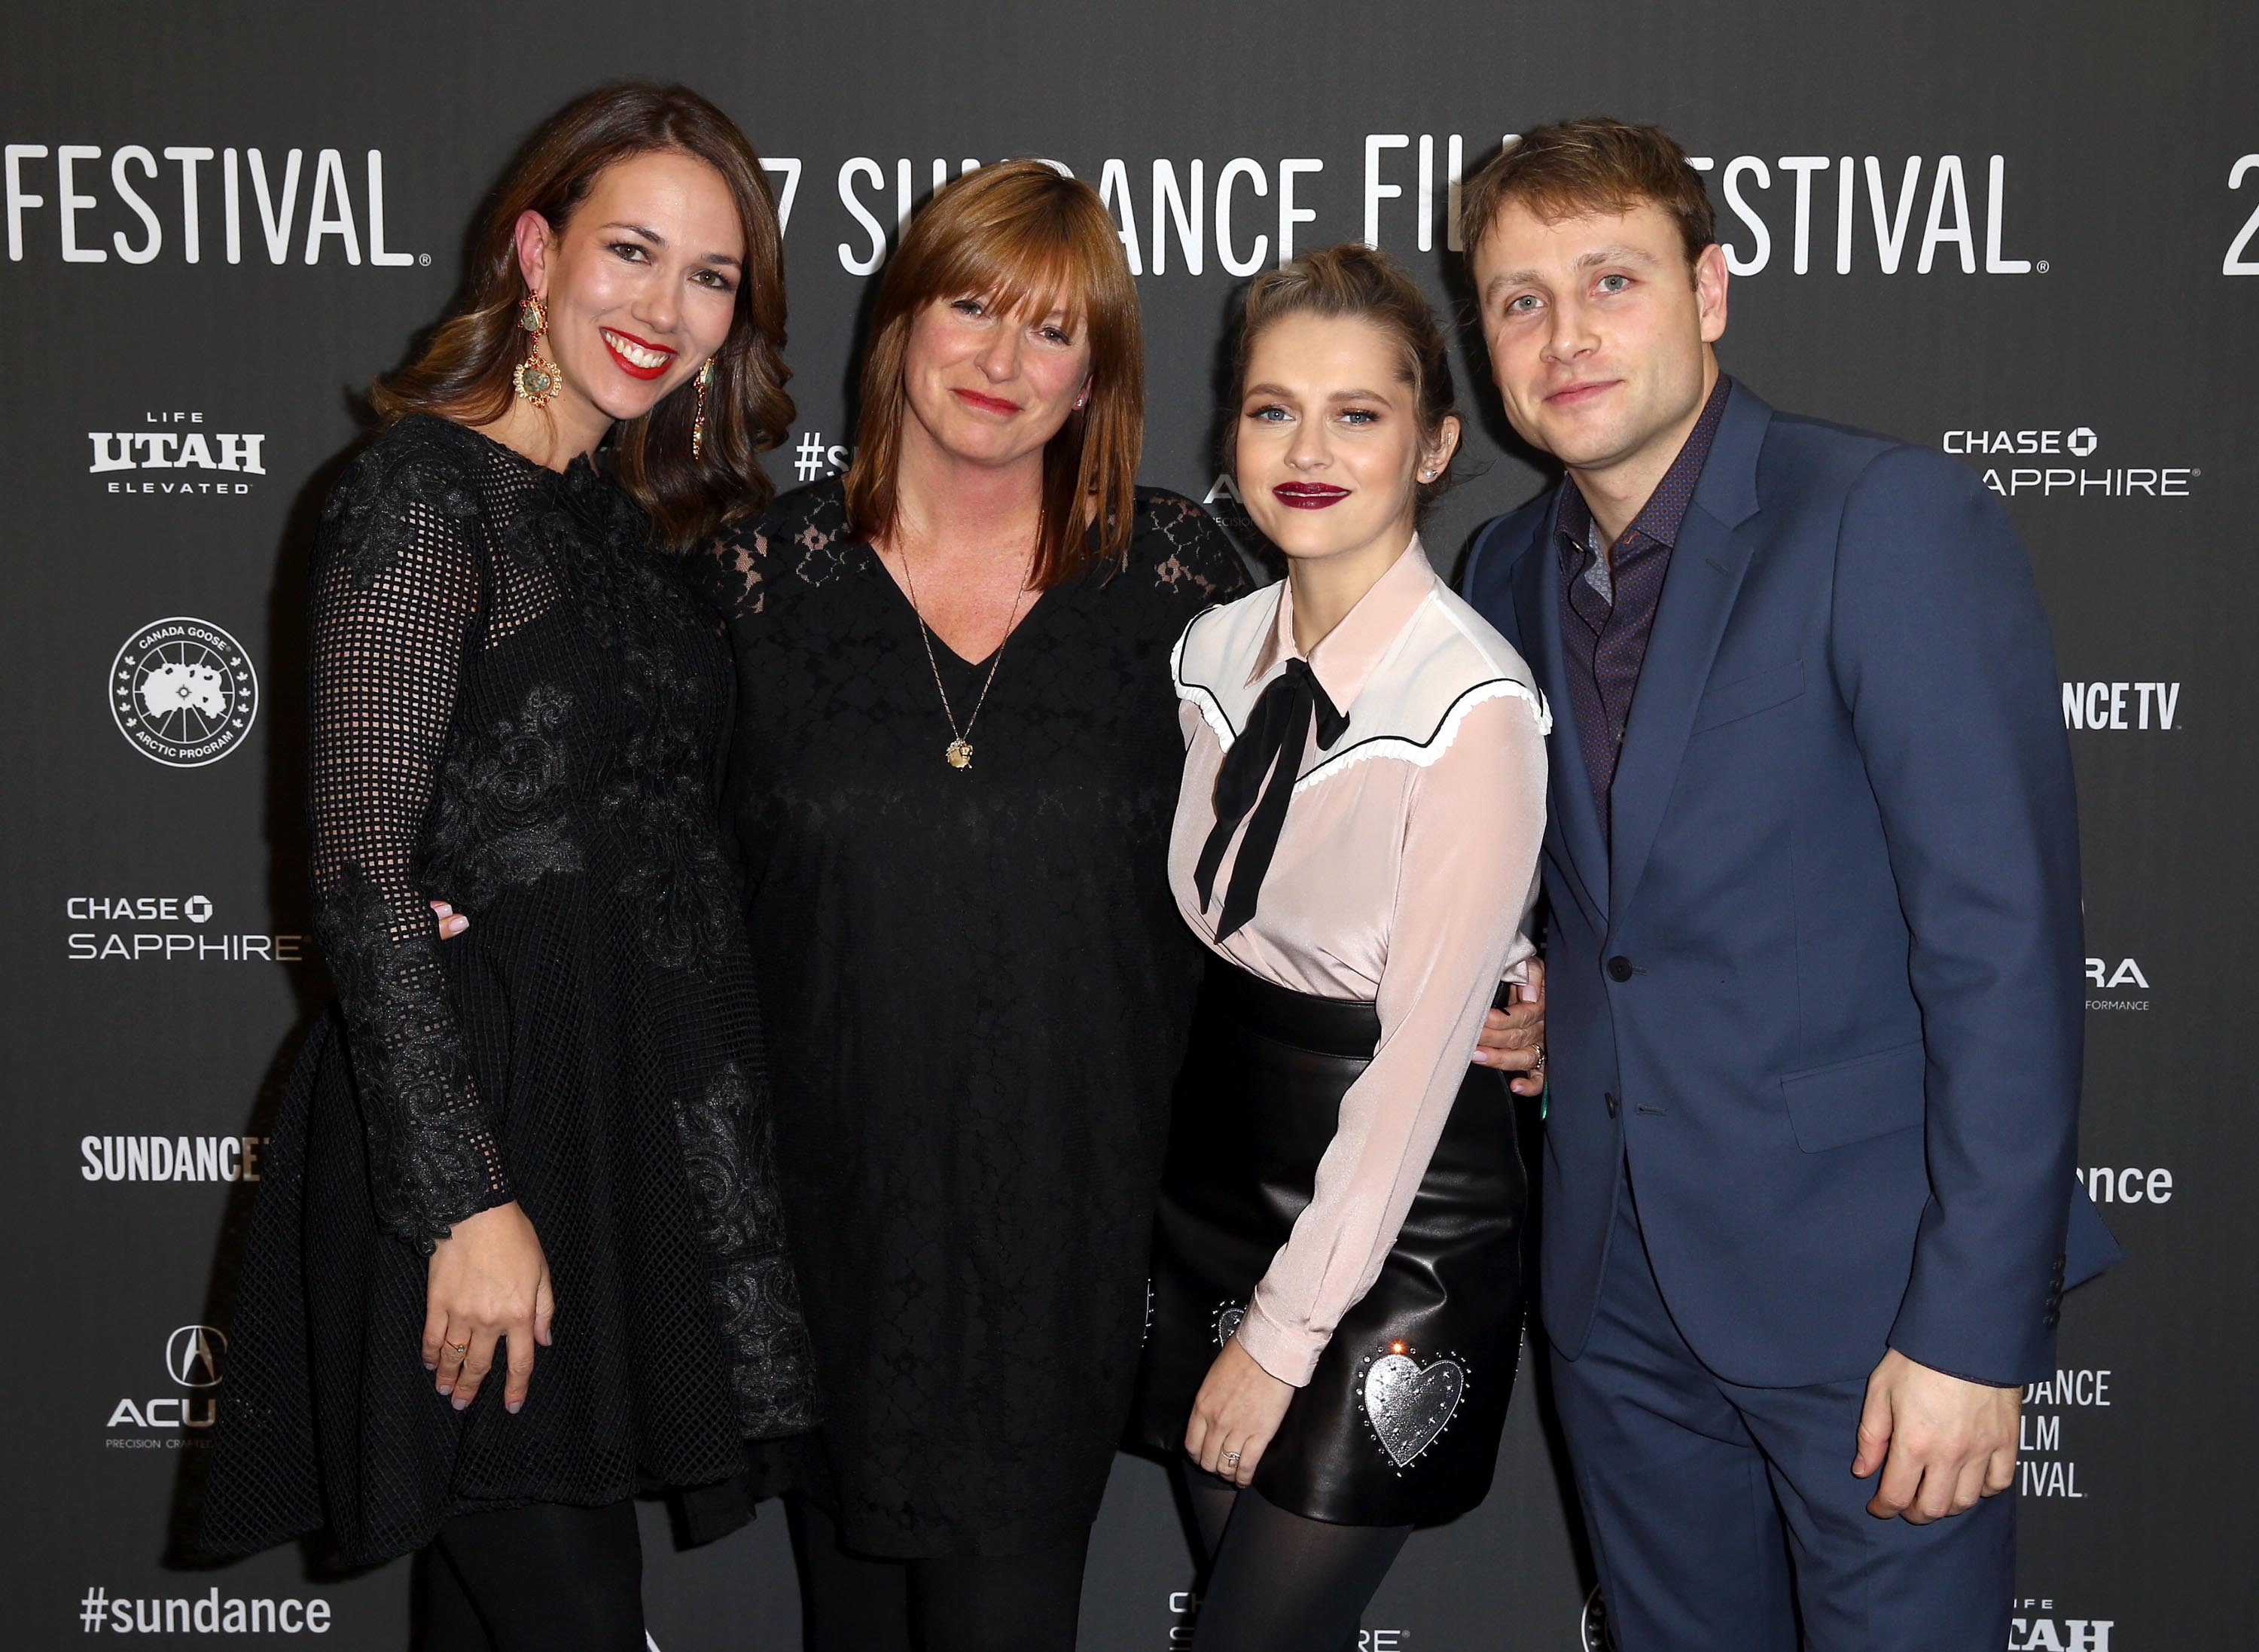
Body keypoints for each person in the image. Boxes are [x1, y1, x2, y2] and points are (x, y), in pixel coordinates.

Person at [1455, 119, 2121, 1650]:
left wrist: (1969, 1329)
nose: (1566, 336)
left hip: (1872, 1312)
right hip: (1614, 1296)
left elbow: (2004, 949)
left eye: (1609, 280)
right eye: (1519, 299)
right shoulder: (1499, 570)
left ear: (1710, 291)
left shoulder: (1881, 522)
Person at [199, 84, 815, 1651]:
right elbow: (359, 867)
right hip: (474, 1151)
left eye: (710, 275)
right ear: (532, 251)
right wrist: (467, 1198)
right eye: (629, 249)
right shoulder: (421, 493)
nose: (663, 307)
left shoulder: (625, 521)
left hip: (608, 1143)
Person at [697, 161, 1249, 1652]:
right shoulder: (755, 581)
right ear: (902, 324)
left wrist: (1500, 975)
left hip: (1062, 1231)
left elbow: (1338, 832)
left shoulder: (1188, 577)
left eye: (1055, 329)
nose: (1004, 361)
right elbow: (663, 873)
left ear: (1097, 376)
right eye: (972, 306)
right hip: (826, 1233)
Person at [1130, 244, 1548, 1652]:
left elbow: (1422, 1071)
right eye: (1271, 409)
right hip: (1210, 1186)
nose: (1307, 451)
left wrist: (1279, 1338)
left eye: (1357, 414)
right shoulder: (1204, 658)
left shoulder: (1473, 702)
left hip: (1397, 1214)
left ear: (1434, 443)